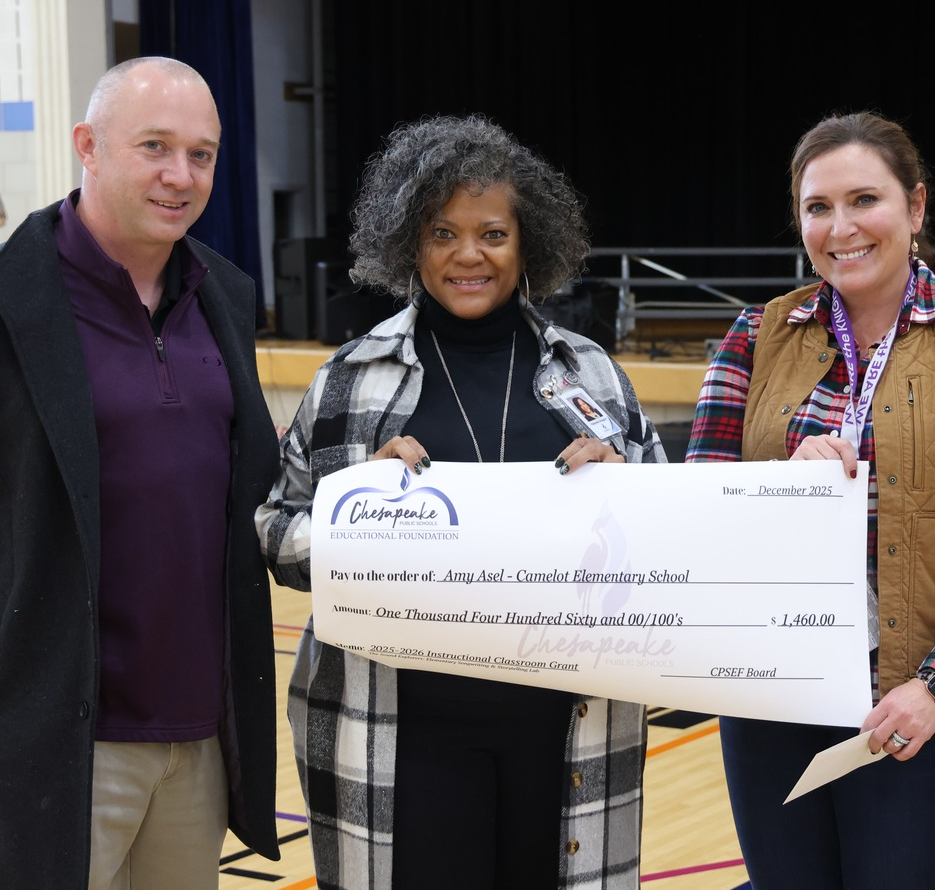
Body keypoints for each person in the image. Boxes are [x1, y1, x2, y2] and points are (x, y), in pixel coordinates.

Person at [0, 57, 280, 890]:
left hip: (199, 740)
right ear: (88, 145)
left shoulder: (223, 292)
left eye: (201, 154)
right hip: (53, 739)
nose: (179, 175)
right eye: (154, 146)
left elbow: (250, 491)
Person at [256, 114, 664, 889]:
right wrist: (358, 508)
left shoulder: (590, 375)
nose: (468, 255)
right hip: (402, 737)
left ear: (528, 244)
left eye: (493, 234)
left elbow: (667, 535)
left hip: (564, 730)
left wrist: (627, 486)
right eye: (443, 233)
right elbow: (277, 535)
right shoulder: (350, 379)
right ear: (409, 241)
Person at [687, 111, 935, 889]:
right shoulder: (753, 338)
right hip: (770, 698)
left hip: (914, 705)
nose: (840, 227)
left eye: (865, 200)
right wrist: (787, 480)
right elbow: (698, 511)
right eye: (818, 207)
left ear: (915, 209)